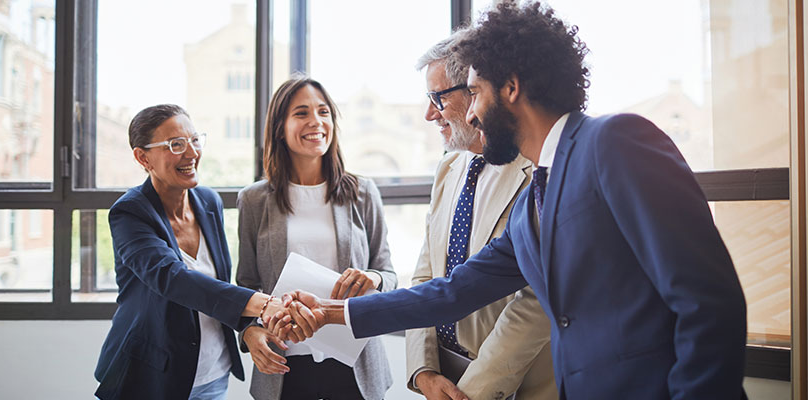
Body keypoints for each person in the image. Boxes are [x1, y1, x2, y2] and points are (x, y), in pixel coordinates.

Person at [280, 2, 748, 399]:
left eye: (477, 92)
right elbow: (451, 291)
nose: (475, 112)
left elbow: (709, 303)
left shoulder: (615, 141)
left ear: (511, 88)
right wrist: (330, 313)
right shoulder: (533, 205)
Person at [94, 104, 312, 400]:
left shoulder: (208, 201)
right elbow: (173, 279)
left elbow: (217, 284)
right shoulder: (130, 213)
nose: (191, 153)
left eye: (195, 140)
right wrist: (263, 305)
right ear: (143, 157)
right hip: (151, 377)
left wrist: (247, 327)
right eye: (175, 144)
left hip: (212, 375)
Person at [406, 31, 556, 400]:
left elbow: (535, 300)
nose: (430, 113)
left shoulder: (535, 171)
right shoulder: (449, 167)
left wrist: (473, 392)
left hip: (512, 386)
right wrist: (423, 370)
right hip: (443, 372)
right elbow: (426, 275)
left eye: (438, 98)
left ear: (477, 90)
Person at [235, 75, 396, 400]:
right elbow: (246, 285)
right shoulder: (254, 200)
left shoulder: (362, 193)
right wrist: (249, 331)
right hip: (284, 364)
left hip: (355, 364)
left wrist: (373, 279)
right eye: (301, 113)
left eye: (323, 112)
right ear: (279, 127)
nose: (316, 122)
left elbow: (389, 274)